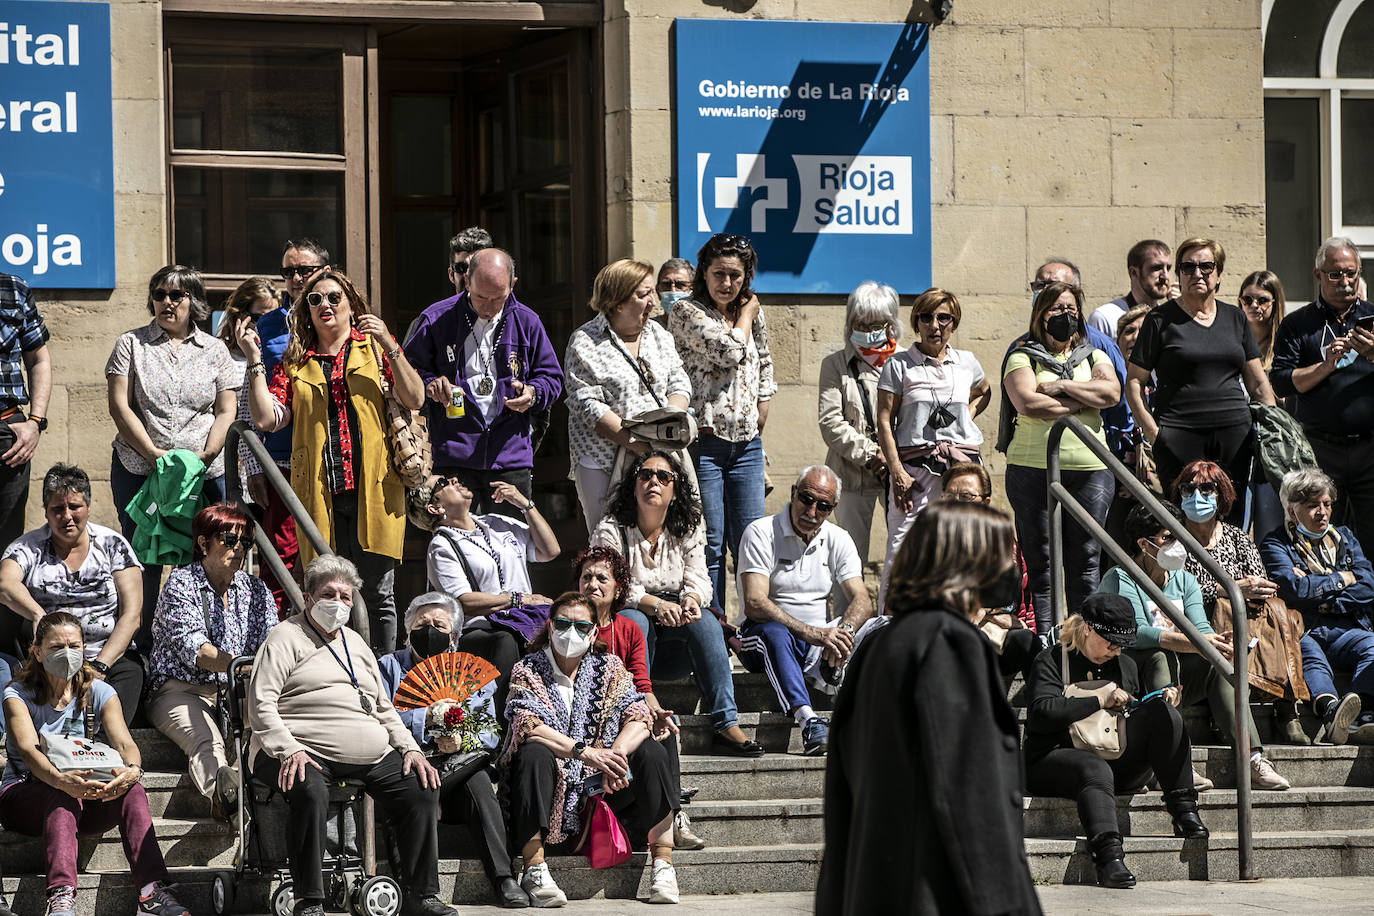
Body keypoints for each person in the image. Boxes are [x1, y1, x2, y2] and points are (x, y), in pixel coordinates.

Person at [817, 501, 1040, 915]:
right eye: (1002, 552)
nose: (1011, 567)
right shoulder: (949, 643)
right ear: (966, 560)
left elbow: (843, 796)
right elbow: (969, 794)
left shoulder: (880, 646)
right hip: (936, 894)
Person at [247, 556, 457, 916]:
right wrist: (289, 750)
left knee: (421, 785)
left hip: (368, 753)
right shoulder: (285, 636)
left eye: (346, 597)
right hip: (298, 747)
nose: (338, 603)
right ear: (307, 596)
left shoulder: (357, 643)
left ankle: (422, 895)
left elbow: (382, 707)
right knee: (309, 788)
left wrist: (409, 747)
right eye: (329, 594)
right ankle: (308, 900)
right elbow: (261, 704)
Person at [239, 269, 425, 653]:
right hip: (320, 494)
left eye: (334, 298)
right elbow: (265, 419)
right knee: (327, 593)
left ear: (351, 305)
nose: (325, 305)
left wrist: (390, 343)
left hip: (373, 490)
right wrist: (255, 360)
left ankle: (382, 679)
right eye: (315, 299)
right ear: (306, 310)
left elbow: (415, 397)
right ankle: (336, 672)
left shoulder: (373, 349)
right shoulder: (295, 360)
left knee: (376, 593)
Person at [1, 612, 190, 916]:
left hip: (86, 796)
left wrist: (131, 772)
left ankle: (151, 892)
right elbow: (28, 752)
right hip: (25, 796)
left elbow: (126, 744)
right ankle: (61, 896)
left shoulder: (99, 692)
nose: (67, 653)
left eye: (74, 646)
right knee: (60, 793)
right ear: (36, 651)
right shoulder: (18, 695)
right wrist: (62, 781)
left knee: (134, 791)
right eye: (55, 647)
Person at [500, 592, 681, 907]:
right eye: (563, 624)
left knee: (651, 750)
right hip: (548, 783)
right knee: (533, 751)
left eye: (582, 627)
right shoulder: (527, 669)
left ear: (595, 632)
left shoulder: (610, 667)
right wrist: (585, 752)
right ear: (550, 625)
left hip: (602, 786)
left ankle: (663, 864)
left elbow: (638, 713)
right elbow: (527, 723)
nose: (572, 633)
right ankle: (534, 865)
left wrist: (615, 758)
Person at [1024, 594, 1206, 890]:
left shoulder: (1124, 665)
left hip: (1113, 753)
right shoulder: (1051, 660)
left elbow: (1129, 713)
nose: (1116, 650)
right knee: (1094, 769)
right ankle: (1109, 857)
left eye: (1121, 645)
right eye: (1110, 643)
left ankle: (1184, 810)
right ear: (1087, 630)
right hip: (1053, 756)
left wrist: (1160, 700)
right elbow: (1041, 715)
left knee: (1164, 713)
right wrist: (1098, 699)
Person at [1099, 503, 1288, 789]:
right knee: (1159, 656)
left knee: (1219, 663)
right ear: (1144, 543)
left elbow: (1200, 628)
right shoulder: (1121, 577)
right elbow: (1137, 633)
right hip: (1132, 679)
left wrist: (1216, 642)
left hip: (1178, 679)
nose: (1177, 544)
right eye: (1168, 537)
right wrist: (1198, 642)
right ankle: (1174, 763)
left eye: (1179, 535)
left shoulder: (1185, 579)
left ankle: (1251, 759)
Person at [591, 449, 762, 757]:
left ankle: (725, 722)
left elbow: (700, 577)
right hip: (632, 641)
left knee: (707, 621)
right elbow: (608, 585)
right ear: (633, 485)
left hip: (676, 647)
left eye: (663, 476)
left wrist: (692, 601)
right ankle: (635, 712)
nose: (653, 481)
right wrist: (656, 605)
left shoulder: (688, 526)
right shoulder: (611, 529)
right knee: (634, 618)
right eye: (645, 475)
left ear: (675, 489)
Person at [106, 265, 240, 650]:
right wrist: (152, 454)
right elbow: (119, 406)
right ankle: (142, 650)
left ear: (193, 301)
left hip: (202, 474)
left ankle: (194, 648)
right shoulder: (131, 343)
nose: (166, 302)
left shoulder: (215, 350)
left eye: (176, 295)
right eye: (160, 294)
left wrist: (207, 453)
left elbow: (226, 410)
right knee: (143, 560)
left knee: (201, 562)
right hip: (140, 470)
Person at [378, 592, 527, 908]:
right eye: (422, 624)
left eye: (438, 624)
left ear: (455, 636)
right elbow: (379, 718)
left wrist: (462, 737)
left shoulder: (473, 674)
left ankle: (503, 877)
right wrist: (426, 716)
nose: (429, 630)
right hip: (409, 764)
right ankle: (418, 889)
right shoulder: (387, 669)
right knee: (422, 783)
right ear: (407, 633)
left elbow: (488, 734)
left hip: (458, 767)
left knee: (478, 783)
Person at [1126, 238, 1277, 525]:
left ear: (1218, 274)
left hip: (1234, 436)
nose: (1197, 274)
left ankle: (1228, 572)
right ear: (1180, 274)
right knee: (1182, 521)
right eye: (1188, 267)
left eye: (1206, 266)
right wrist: (1156, 435)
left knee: (1230, 518)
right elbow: (1134, 382)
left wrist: (1275, 429)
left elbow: (1258, 384)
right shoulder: (1159, 319)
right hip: (1178, 437)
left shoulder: (1236, 318)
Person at [404, 248, 564, 517]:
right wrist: (431, 383)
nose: (488, 307)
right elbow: (406, 370)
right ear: (466, 282)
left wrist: (532, 394)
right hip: (454, 457)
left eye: (498, 298)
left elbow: (552, 378)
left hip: (509, 459)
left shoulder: (527, 321)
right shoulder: (436, 318)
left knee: (511, 548)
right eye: (480, 297)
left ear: (512, 285)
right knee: (459, 547)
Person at [668, 233, 776, 619]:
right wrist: (747, 315)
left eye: (735, 275)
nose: (727, 284)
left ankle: (752, 627)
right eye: (719, 274)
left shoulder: (751, 313)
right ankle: (715, 627)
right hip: (706, 444)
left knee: (750, 541)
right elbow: (730, 351)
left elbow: (763, 359)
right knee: (710, 543)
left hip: (746, 444)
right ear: (704, 273)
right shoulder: (685, 312)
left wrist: (763, 404)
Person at [1002, 281, 1120, 632]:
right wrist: (1084, 401)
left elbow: (1111, 392)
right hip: (1031, 469)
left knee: (1086, 560)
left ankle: (1085, 641)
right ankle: (1049, 643)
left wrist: (1063, 387)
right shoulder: (1021, 355)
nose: (1064, 316)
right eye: (1056, 309)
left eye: (1071, 309)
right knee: (1042, 563)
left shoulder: (1095, 356)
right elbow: (1027, 402)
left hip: (1090, 470)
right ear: (1040, 315)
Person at [146, 504, 277, 819]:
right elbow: (199, 652)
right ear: (203, 544)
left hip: (238, 688)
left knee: (271, 730)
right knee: (208, 741)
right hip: (182, 689)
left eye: (245, 543)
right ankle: (227, 800)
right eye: (229, 540)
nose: (238, 549)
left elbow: (273, 645)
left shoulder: (256, 589)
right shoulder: (181, 583)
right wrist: (244, 665)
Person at [572, 545, 702, 849]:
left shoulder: (628, 629)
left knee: (663, 728)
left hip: (623, 723)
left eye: (602, 578)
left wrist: (656, 711)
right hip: (584, 725)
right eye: (586, 577)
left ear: (618, 588)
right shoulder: (570, 624)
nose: (592, 584)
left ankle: (674, 817)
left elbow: (641, 683)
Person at [736, 466, 871, 756]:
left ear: (833, 507)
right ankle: (808, 720)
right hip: (760, 636)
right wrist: (814, 633)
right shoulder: (761, 531)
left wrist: (842, 635)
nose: (812, 510)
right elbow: (755, 602)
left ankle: (876, 709)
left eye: (822, 506)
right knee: (774, 632)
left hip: (816, 643)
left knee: (881, 625)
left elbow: (862, 599)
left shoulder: (838, 538)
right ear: (793, 493)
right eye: (806, 499)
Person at [1174, 460, 1311, 746]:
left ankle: (1285, 708)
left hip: (1247, 617)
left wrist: (1256, 589)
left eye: (1206, 488)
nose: (1196, 495)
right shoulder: (1173, 539)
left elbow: (1259, 579)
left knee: (1282, 613)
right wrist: (1231, 589)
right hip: (1200, 619)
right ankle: (1281, 709)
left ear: (1221, 495)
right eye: (1188, 489)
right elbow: (1176, 590)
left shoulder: (1237, 537)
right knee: (1227, 610)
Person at [0, 464, 143, 726]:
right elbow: (4, 583)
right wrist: (37, 615)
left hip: (106, 654)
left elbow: (132, 616)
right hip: (49, 655)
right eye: (57, 509)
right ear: (46, 512)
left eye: (74, 507)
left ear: (88, 507)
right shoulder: (28, 546)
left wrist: (100, 666)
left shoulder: (113, 545)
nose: (67, 516)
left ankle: (103, 748)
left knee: (129, 678)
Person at [875, 287, 989, 608]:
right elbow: (884, 420)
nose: (934, 325)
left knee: (962, 549)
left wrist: (968, 414)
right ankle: (886, 630)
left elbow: (984, 390)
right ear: (916, 322)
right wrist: (896, 471)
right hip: (913, 471)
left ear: (954, 323)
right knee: (902, 549)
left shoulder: (966, 361)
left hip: (961, 470)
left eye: (943, 318)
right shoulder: (899, 365)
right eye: (926, 317)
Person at [411, 474, 559, 715]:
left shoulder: (496, 522)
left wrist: (525, 505)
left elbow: (550, 550)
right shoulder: (442, 545)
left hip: (525, 624)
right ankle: (504, 724)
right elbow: (464, 602)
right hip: (482, 631)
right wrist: (518, 599)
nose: (455, 479)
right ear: (435, 507)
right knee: (505, 641)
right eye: (443, 482)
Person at [565, 259, 691, 532]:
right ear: (618, 302)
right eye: (643, 295)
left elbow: (679, 381)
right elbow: (587, 404)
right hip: (602, 458)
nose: (653, 302)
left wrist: (667, 422)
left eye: (651, 293)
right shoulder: (585, 341)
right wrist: (633, 441)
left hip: (658, 455)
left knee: (661, 538)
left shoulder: (658, 334)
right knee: (609, 540)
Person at [1270, 237, 1374, 549]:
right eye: (1336, 275)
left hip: (1370, 447)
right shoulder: (1298, 324)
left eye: (1351, 274)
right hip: (1321, 448)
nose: (1346, 282)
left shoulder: (1371, 317)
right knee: (1324, 534)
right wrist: (1325, 366)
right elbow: (1282, 383)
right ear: (1318, 276)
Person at [1260, 468, 1374, 746]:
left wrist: (1320, 589)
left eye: (1327, 504)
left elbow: (1369, 586)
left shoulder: (1344, 537)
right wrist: (1342, 578)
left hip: (1349, 629)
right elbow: (1294, 590)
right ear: (1291, 511)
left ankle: (1363, 715)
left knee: (1372, 645)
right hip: (1307, 629)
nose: (1322, 512)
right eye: (1312, 506)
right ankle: (1332, 712)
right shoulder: (1275, 544)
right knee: (1309, 655)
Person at [817, 281, 901, 582]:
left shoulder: (906, 361)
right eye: (859, 322)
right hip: (852, 476)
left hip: (900, 476)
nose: (866, 329)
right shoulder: (835, 365)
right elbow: (830, 422)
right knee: (849, 563)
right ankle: (847, 624)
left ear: (890, 324)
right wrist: (872, 454)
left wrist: (893, 459)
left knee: (904, 557)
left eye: (874, 323)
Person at [940, 462, 1038, 678]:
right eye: (950, 496)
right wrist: (988, 612)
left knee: (1028, 642)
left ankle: (1044, 708)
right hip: (947, 636)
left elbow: (1017, 600)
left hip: (997, 635)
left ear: (985, 502)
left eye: (966, 497)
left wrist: (988, 613)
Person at [0, 272, 52, 549]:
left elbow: (39, 359)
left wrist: (35, 421)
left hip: (6, 430)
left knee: (8, 543)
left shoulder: (13, 288)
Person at [403, 227, 493, 346]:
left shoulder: (516, 319)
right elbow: (408, 364)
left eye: (476, 268)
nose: (468, 274)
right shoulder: (431, 321)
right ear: (451, 275)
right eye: (461, 268)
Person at [1087, 239, 1173, 336]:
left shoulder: (1171, 318)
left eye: (1168, 268)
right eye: (1156, 268)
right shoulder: (1105, 318)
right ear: (1133, 273)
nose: (1165, 276)